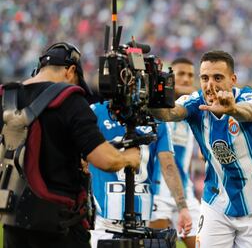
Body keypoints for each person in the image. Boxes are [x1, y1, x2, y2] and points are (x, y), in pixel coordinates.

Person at [1, 42, 140, 248]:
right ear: (71, 70)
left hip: (13, 227)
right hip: (58, 226)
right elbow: (105, 160)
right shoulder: (70, 99)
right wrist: (128, 157)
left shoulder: (7, 98)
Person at [151, 50, 252, 248]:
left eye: (218, 77)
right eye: (205, 78)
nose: (210, 85)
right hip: (216, 202)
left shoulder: (248, 97)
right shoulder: (195, 102)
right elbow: (170, 113)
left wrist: (232, 110)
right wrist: (147, 99)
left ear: (233, 79)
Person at [89, 101, 192, 248]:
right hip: (133, 220)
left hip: (108, 221)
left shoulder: (95, 111)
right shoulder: (156, 116)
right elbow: (168, 165)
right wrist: (182, 207)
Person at [149, 57, 200, 248]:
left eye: (190, 75)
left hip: (185, 193)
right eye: (181, 74)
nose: (187, 79)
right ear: (170, 78)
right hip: (157, 193)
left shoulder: (193, 112)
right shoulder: (155, 109)